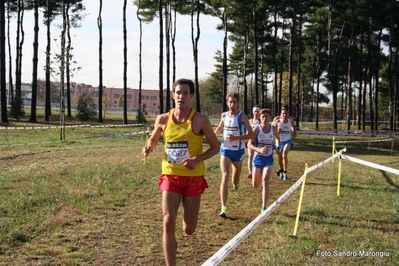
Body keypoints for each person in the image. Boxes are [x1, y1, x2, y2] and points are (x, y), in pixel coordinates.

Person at [142, 78, 220, 266]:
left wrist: (197, 159)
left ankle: (175, 239)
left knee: (189, 229)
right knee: (168, 222)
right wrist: (148, 148)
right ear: (173, 95)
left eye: (185, 93)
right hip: (170, 175)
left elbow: (215, 147)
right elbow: (153, 139)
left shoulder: (200, 120)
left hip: (193, 178)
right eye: (178, 93)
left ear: (191, 96)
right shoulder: (163, 119)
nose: (181, 96)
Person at [214, 92, 254, 218]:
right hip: (225, 149)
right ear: (227, 103)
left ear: (237, 103)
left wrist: (236, 137)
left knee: (234, 179)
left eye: (234, 102)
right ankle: (223, 208)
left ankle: (236, 183)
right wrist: (213, 135)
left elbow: (251, 135)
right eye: (230, 102)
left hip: (238, 151)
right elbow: (220, 127)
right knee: (225, 175)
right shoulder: (224, 115)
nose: (232, 104)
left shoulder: (243, 117)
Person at [248, 108, 279, 213]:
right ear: (259, 118)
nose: (264, 119)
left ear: (269, 117)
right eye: (262, 117)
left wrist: (278, 145)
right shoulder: (257, 129)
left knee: (265, 181)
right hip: (258, 158)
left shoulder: (273, 129)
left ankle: (264, 207)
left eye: (266, 117)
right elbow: (249, 144)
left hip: (268, 158)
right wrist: (259, 149)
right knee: (255, 185)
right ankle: (255, 178)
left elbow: (278, 138)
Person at [272, 104, 297, 180]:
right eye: (283, 113)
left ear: (288, 114)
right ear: (281, 114)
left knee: (284, 155)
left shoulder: (291, 121)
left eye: (286, 113)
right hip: (279, 141)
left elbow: (294, 127)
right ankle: (281, 170)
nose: (284, 115)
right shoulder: (278, 120)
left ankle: (285, 172)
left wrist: (293, 132)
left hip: (288, 141)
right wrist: (277, 130)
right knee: (279, 157)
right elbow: (272, 129)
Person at [247, 106, 261, 179]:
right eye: (255, 111)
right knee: (250, 155)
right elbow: (246, 131)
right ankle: (250, 172)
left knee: (256, 157)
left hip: (258, 142)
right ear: (253, 112)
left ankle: (256, 170)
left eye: (257, 111)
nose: (256, 113)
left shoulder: (260, 122)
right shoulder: (249, 121)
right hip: (250, 141)